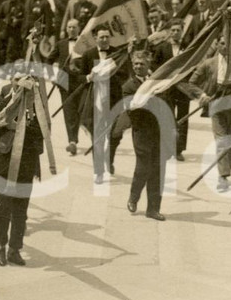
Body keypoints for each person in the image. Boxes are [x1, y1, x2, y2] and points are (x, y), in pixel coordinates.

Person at [0, 69, 52, 267]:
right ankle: (1, 245)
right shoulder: (4, 101)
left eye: (24, 80)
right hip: (4, 162)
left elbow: (44, 133)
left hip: (26, 162)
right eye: (16, 80)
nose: (20, 84)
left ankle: (15, 248)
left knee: (21, 207)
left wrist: (24, 127)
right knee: (4, 204)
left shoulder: (35, 105)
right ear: (11, 81)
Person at [187, 37, 231, 191]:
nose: (225, 46)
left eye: (229, 43)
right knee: (222, 141)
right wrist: (202, 95)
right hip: (216, 106)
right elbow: (192, 82)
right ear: (217, 45)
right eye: (222, 43)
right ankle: (223, 176)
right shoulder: (209, 63)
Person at [74, 25, 131, 183]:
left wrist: (108, 75)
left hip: (114, 100)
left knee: (114, 135)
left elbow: (125, 75)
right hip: (95, 101)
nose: (105, 40)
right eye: (102, 37)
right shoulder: (89, 54)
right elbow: (79, 77)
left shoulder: (117, 53)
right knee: (97, 136)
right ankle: (98, 171)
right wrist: (89, 77)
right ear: (95, 38)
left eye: (107, 36)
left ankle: (109, 160)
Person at [123, 54, 168, 221]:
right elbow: (131, 109)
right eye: (135, 64)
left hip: (158, 132)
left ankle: (153, 209)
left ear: (148, 65)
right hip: (141, 132)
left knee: (157, 170)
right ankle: (133, 197)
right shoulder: (129, 86)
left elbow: (165, 105)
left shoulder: (158, 84)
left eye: (141, 63)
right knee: (143, 167)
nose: (138, 66)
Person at [153, 21, 191, 161]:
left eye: (178, 30)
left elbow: (194, 65)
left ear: (182, 31)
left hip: (183, 89)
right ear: (169, 32)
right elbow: (155, 66)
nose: (175, 33)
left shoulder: (188, 47)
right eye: (173, 30)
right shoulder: (162, 47)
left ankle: (178, 149)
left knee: (183, 118)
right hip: (167, 88)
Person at [54, 18, 84, 155]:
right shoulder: (61, 44)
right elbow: (48, 59)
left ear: (79, 29)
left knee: (80, 111)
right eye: (69, 27)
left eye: (74, 27)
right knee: (69, 111)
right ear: (66, 29)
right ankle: (72, 141)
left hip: (81, 82)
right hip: (65, 83)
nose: (71, 29)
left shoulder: (85, 44)